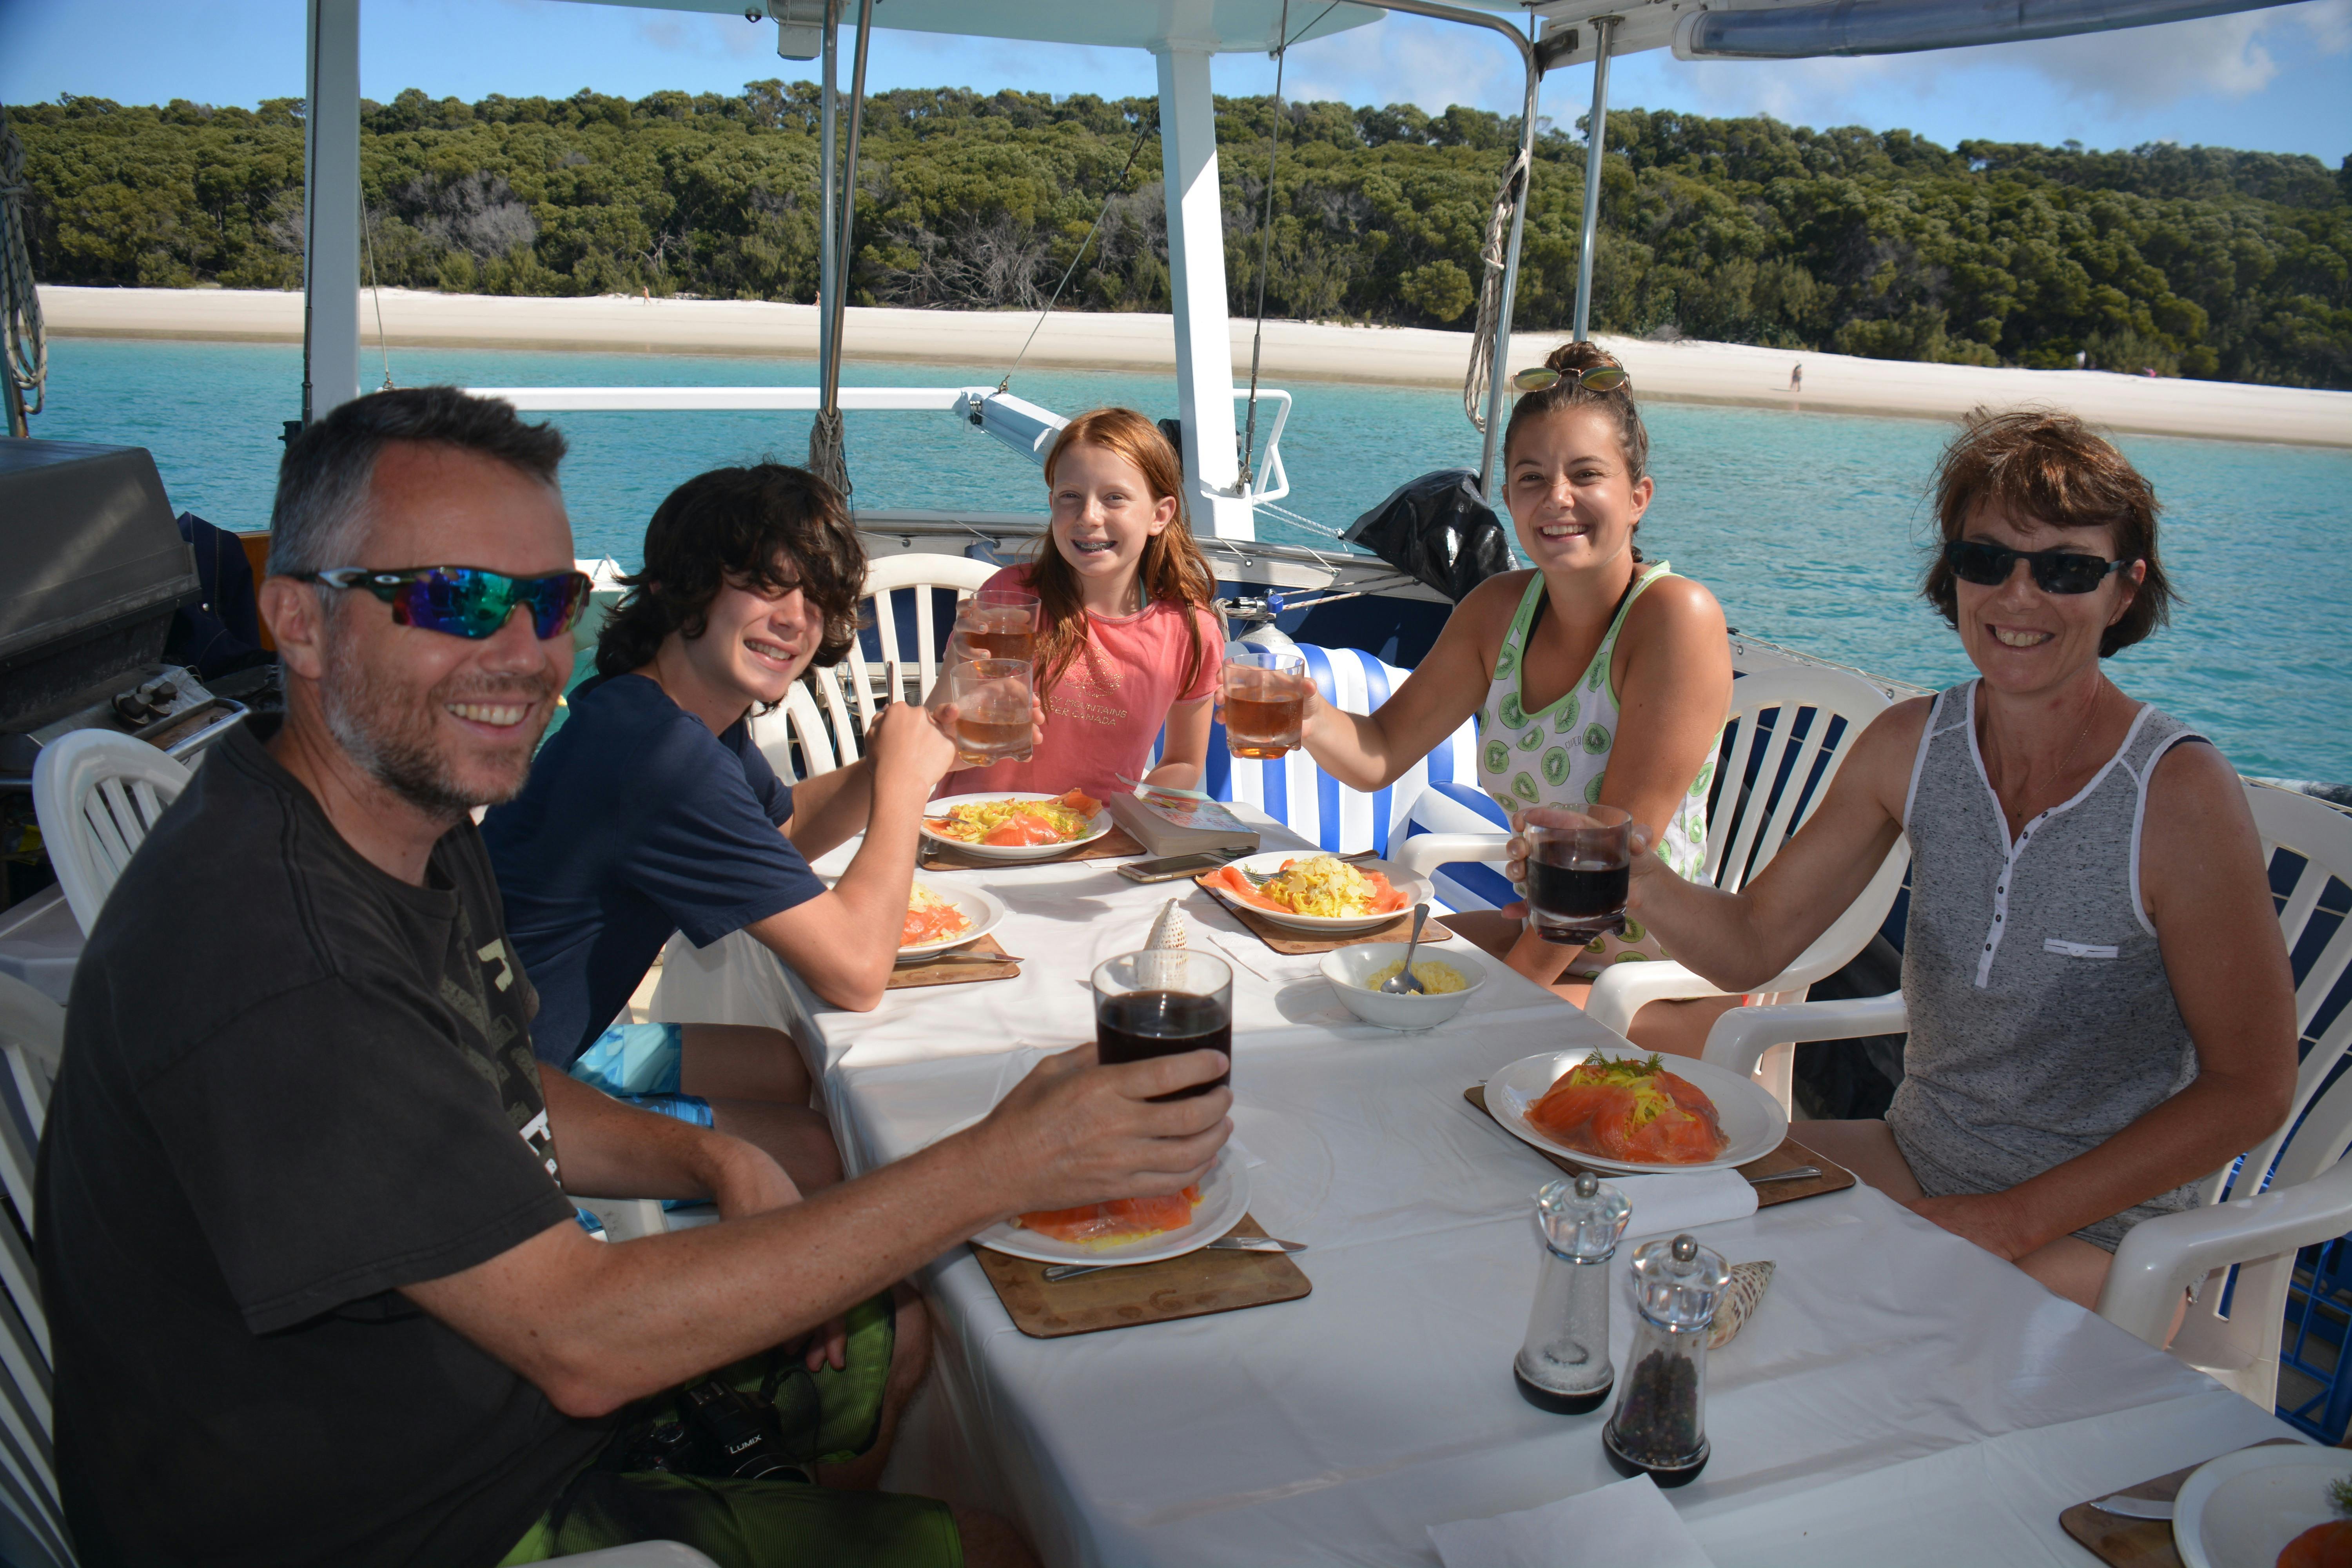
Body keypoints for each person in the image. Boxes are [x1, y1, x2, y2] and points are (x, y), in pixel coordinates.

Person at [34, 385, 1233, 1567]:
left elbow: (503, 1077)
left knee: (888, 1338)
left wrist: (709, 1153)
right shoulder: (279, 958)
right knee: (997, 1546)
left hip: (465, 1398)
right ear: (294, 620)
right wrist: (1006, 1161)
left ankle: (764, 1506)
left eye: (547, 600)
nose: (521, 655)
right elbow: (580, 1337)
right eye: (454, 597)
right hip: (402, 1511)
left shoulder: (404, 823)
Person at [1510, 408, 2296, 1308]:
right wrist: (1632, 876)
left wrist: (2011, 1219)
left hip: (2105, 1231)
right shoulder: (1911, 746)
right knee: (1618, 1196)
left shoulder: (2177, 796)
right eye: (1985, 560)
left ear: (2124, 593)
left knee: (1877, 1337)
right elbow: (1752, 943)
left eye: (2067, 569)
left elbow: (2254, 1088)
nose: (2017, 596)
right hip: (1918, 1160)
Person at [485, 463, 974, 1191]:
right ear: (681, 587)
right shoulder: (662, 758)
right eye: (764, 585)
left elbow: (778, 836)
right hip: (490, 1094)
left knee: (789, 1063)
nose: (795, 619)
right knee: (826, 1149)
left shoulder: (659, 712)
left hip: (529, 1037)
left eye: (816, 597)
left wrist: (886, 766)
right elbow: (856, 972)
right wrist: (906, 789)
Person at [1294, 341, 1732, 1040]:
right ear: (1507, 499)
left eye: (1586, 474)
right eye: (1532, 478)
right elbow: (1377, 753)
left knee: (1436, 1036)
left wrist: (1495, 997)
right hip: (1548, 935)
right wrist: (1306, 713)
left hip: (1659, 976)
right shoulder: (1497, 611)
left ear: (1638, 497)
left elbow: (1605, 870)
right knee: (1345, 981)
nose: (1557, 498)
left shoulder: (1676, 620)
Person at [940, 407, 1225, 800]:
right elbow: (935, 742)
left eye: (1114, 498)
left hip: (1097, 841)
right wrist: (959, 663)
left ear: (1160, 515)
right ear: (1052, 502)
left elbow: (1184, 762)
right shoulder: (1008, 603)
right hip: (973, 831)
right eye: (1071, 496)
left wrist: (1129, 820)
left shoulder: (1191, 630)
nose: (1089, 516)